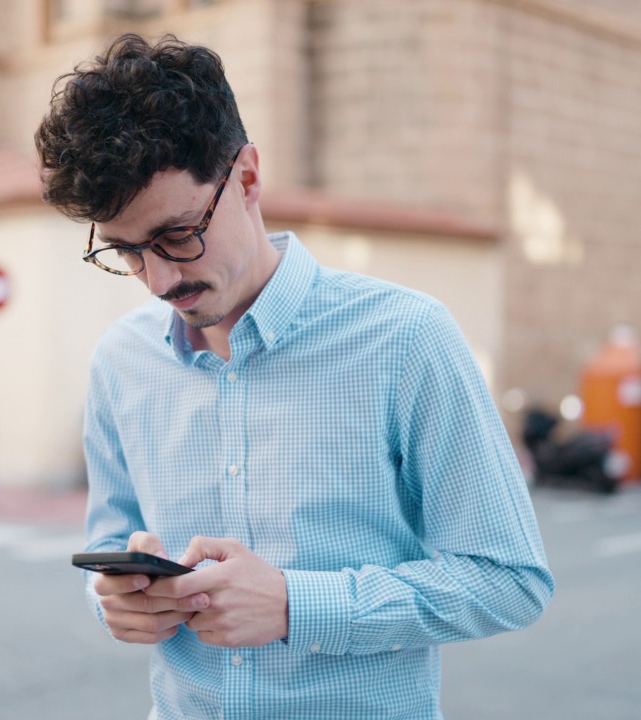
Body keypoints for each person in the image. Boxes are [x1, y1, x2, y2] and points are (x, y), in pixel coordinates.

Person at [35, 33, 553, 720]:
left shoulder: (407, 340)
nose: (158, 279)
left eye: (178, 235)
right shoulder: (120, 363)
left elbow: (509, 580)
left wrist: (297, 606)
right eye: (128, 252)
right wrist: (122, 603)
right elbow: (113, 547)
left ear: (247, 178)